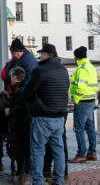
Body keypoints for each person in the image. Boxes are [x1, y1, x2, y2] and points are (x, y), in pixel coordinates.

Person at [25, 44, 69, 185]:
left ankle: (37, 181)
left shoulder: (40, 70)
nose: (40, 56)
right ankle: (58, 180)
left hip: (43, 115)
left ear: (46, 55)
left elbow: (28, 92)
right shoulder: (63, 70)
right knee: (58, 150)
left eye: (41, 54)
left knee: (37, 150)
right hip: (60, 116)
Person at [68, 46, 98, 164]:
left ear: (77, 57)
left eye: (74, 56)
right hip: (91, 99)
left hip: (82, 101)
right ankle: (92, 152)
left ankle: (81, 154)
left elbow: (80, 87)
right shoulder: (91, 66)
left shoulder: (81, 69)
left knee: (78, 128)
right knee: (90, 127)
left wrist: (75, 99)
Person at [6, 66, 31, 183]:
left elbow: (22, 107)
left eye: (11, 76)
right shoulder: (22, 88)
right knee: (23, 150)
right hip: (23, 125)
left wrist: (10, 111)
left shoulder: (19, 90)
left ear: (15, 77)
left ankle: (23, 174)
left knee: (21, 150)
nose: (10, 79)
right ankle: (23, 172)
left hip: (20, 125)